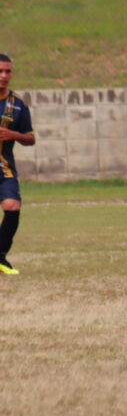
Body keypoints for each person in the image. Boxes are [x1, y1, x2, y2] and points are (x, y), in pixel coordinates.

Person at [0, 54, 36, 275]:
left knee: (13, 206)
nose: (4, 76)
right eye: (0, 71)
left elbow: (30, 139)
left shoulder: (17, 105)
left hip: (4, 168)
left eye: (8, 71)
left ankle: (1, 256)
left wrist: (12, 133)